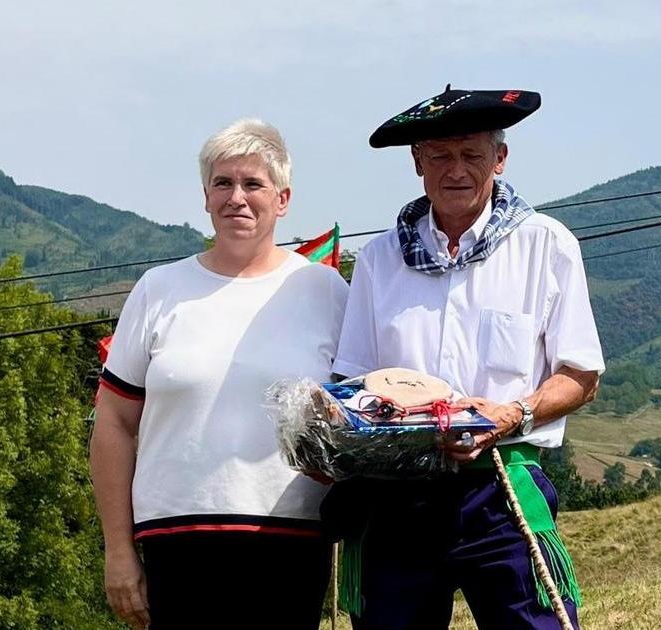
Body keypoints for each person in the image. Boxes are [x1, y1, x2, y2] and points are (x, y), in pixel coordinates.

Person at [328, 87, 604, 629]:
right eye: (440, 156)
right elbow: (353, 379)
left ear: (500, 159)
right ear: (417, 163)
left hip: (501, 487)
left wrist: (510, 414)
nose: (456, 170)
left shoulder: (545, 244)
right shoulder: (381, 258)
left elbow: (580, 375)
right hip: (396, 494)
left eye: (471, 154)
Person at [89, 119, 348, 629]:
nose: (237, 198)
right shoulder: (158, 289)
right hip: (174, 544)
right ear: (205, 197)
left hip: (291, 541)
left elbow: (357, 413)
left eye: (253, 184)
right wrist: (117, 550)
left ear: (283, 198)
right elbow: (113, 423)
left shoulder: (326, 291)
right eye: (222, 183)